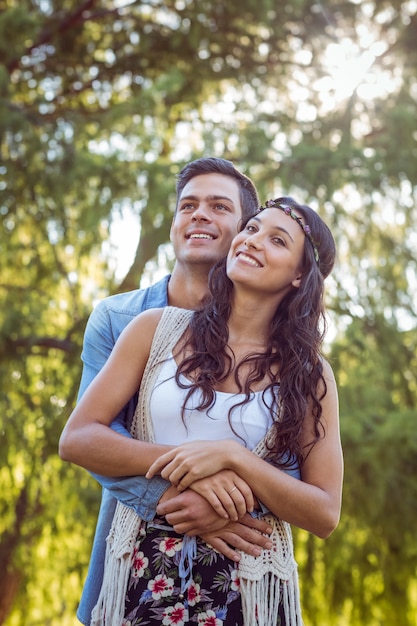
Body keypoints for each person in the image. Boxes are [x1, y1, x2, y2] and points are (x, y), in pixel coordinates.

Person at [60, 196, 343, 625]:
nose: (252, 241)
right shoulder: (155, 329)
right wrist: (194, 464)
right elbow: (77, 439)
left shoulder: (310, 374)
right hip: (142, 572)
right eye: (250, 229)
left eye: (277, 240)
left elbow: (324, 513)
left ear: (300, 275)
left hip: (251, 588)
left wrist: (235, 458)